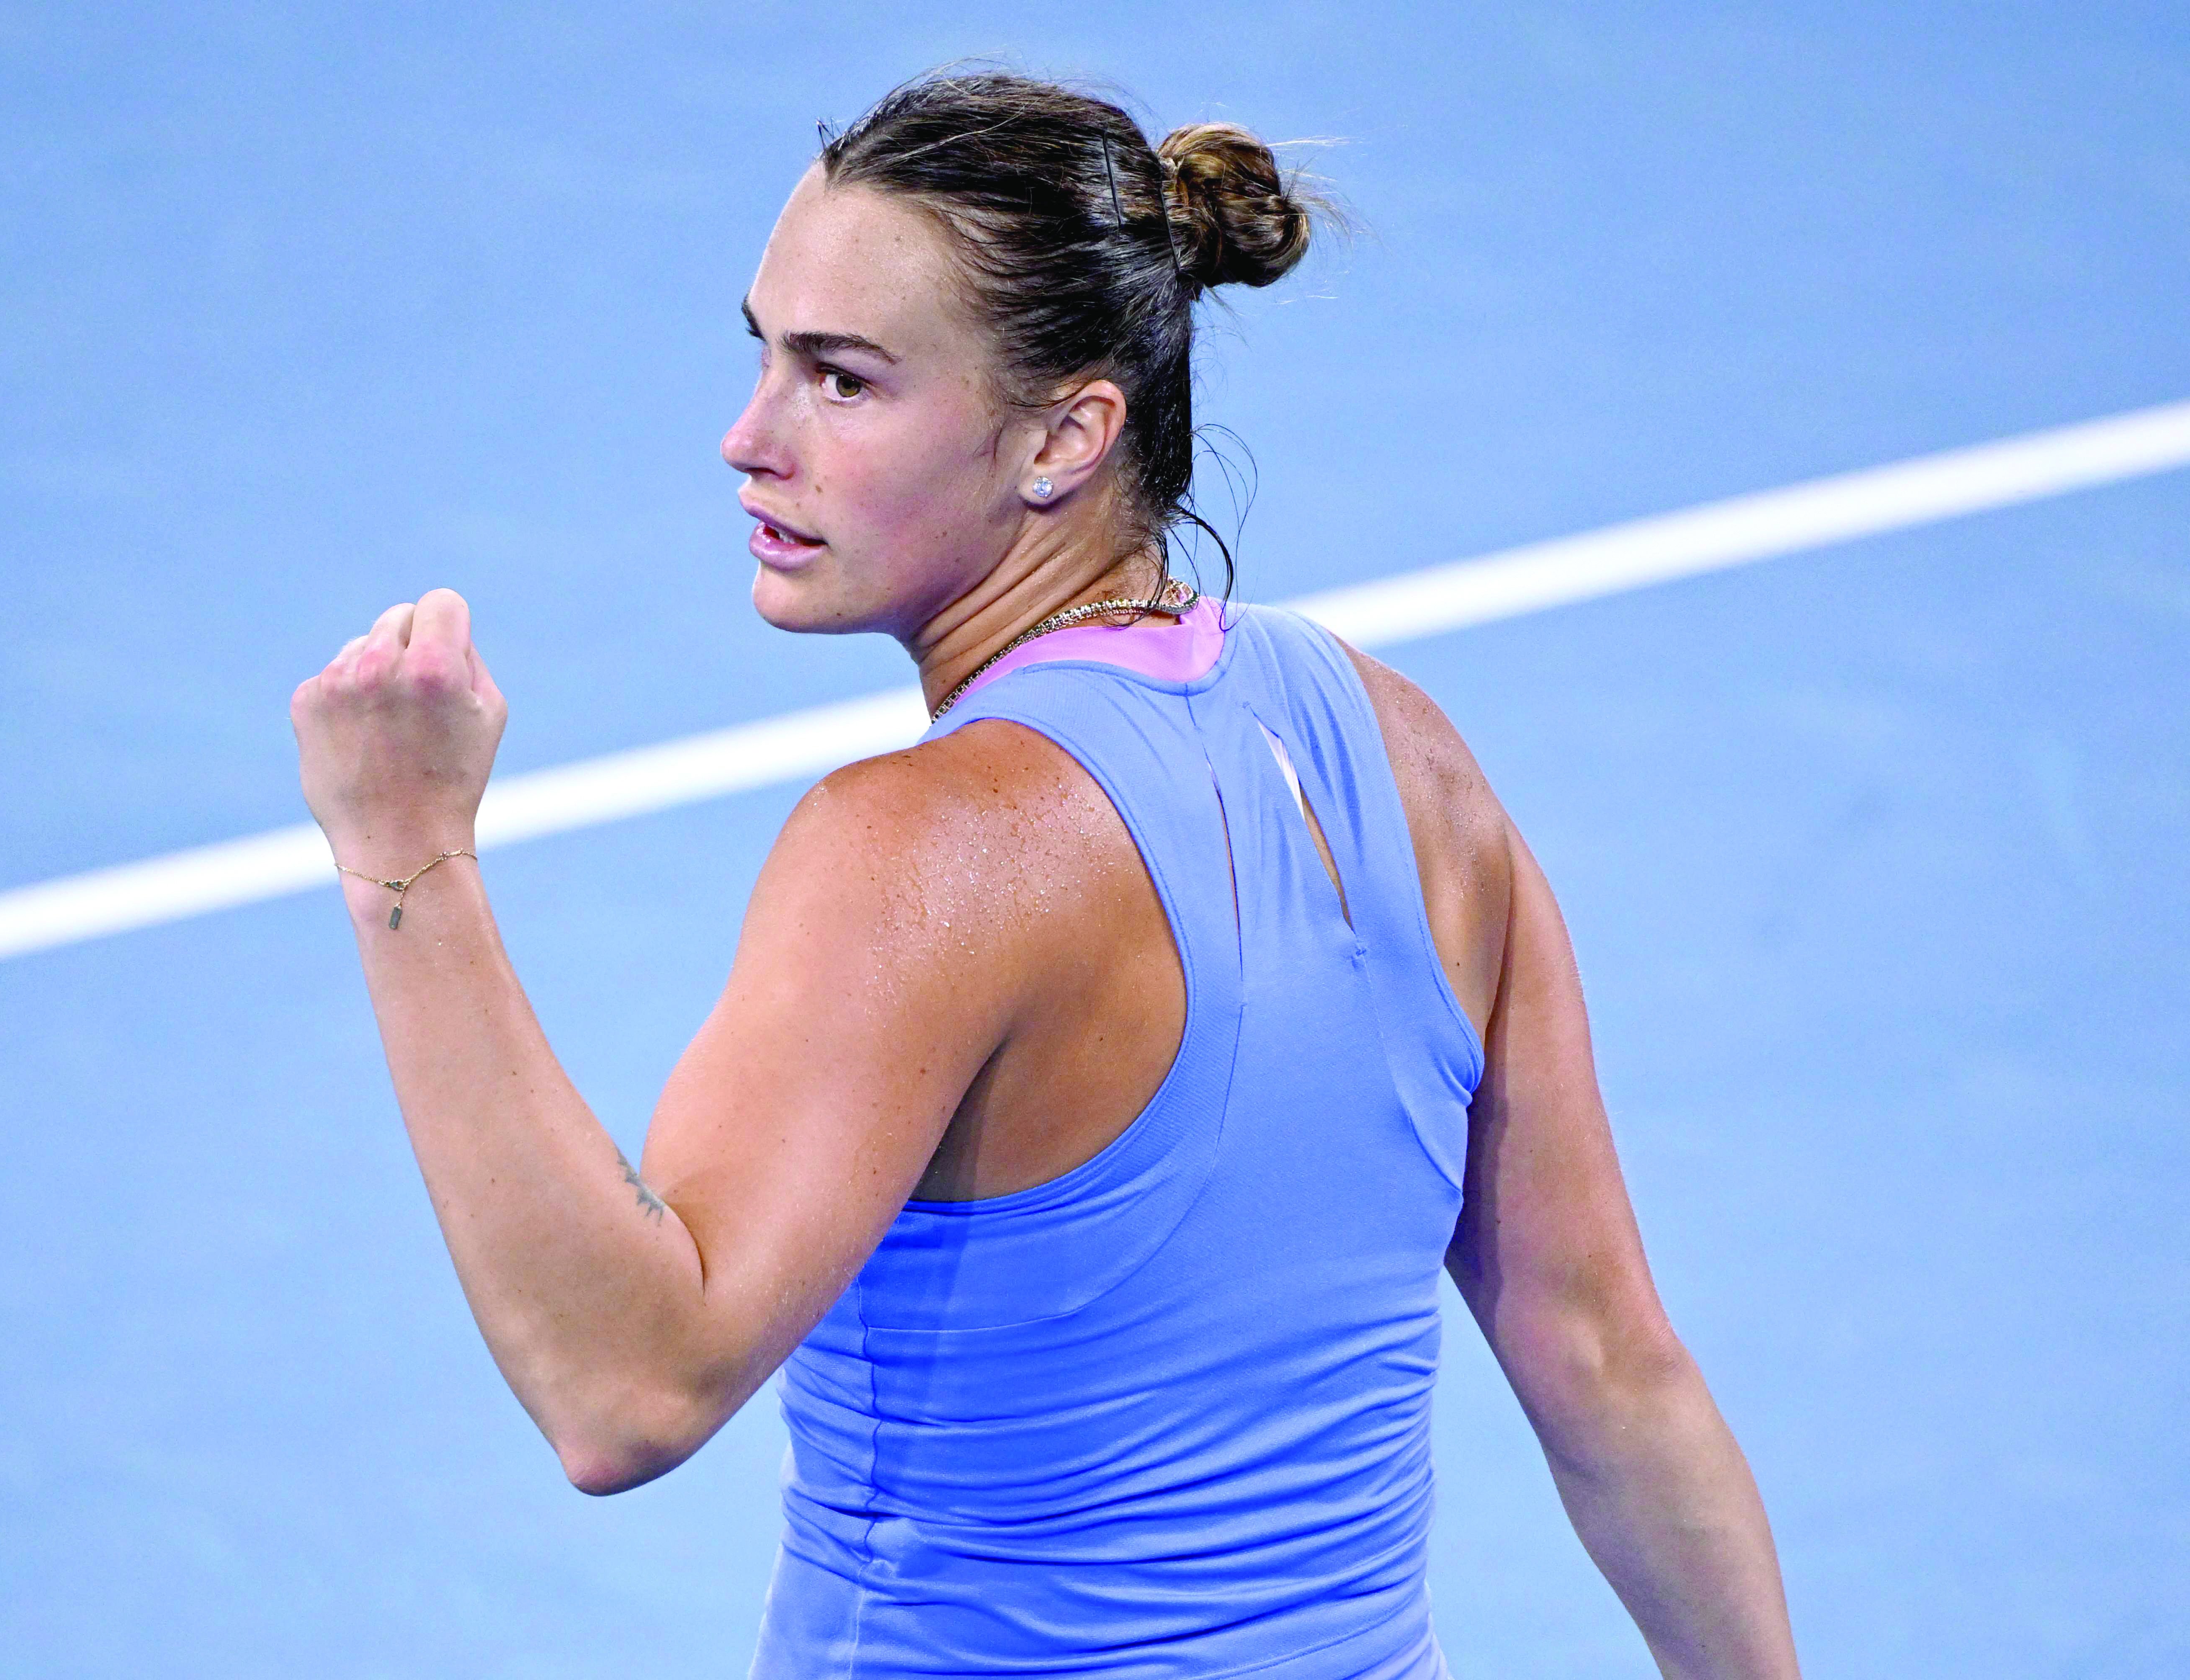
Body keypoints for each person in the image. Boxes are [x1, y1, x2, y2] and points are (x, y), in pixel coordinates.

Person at [290, 71, 1801, 1680]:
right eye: (764, 353)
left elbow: (623, 1389)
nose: (750, 439)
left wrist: (410, 861)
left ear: (1068, 436)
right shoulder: (1404, 754)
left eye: (843, 381)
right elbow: (1611, 1371)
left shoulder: (922, 848)